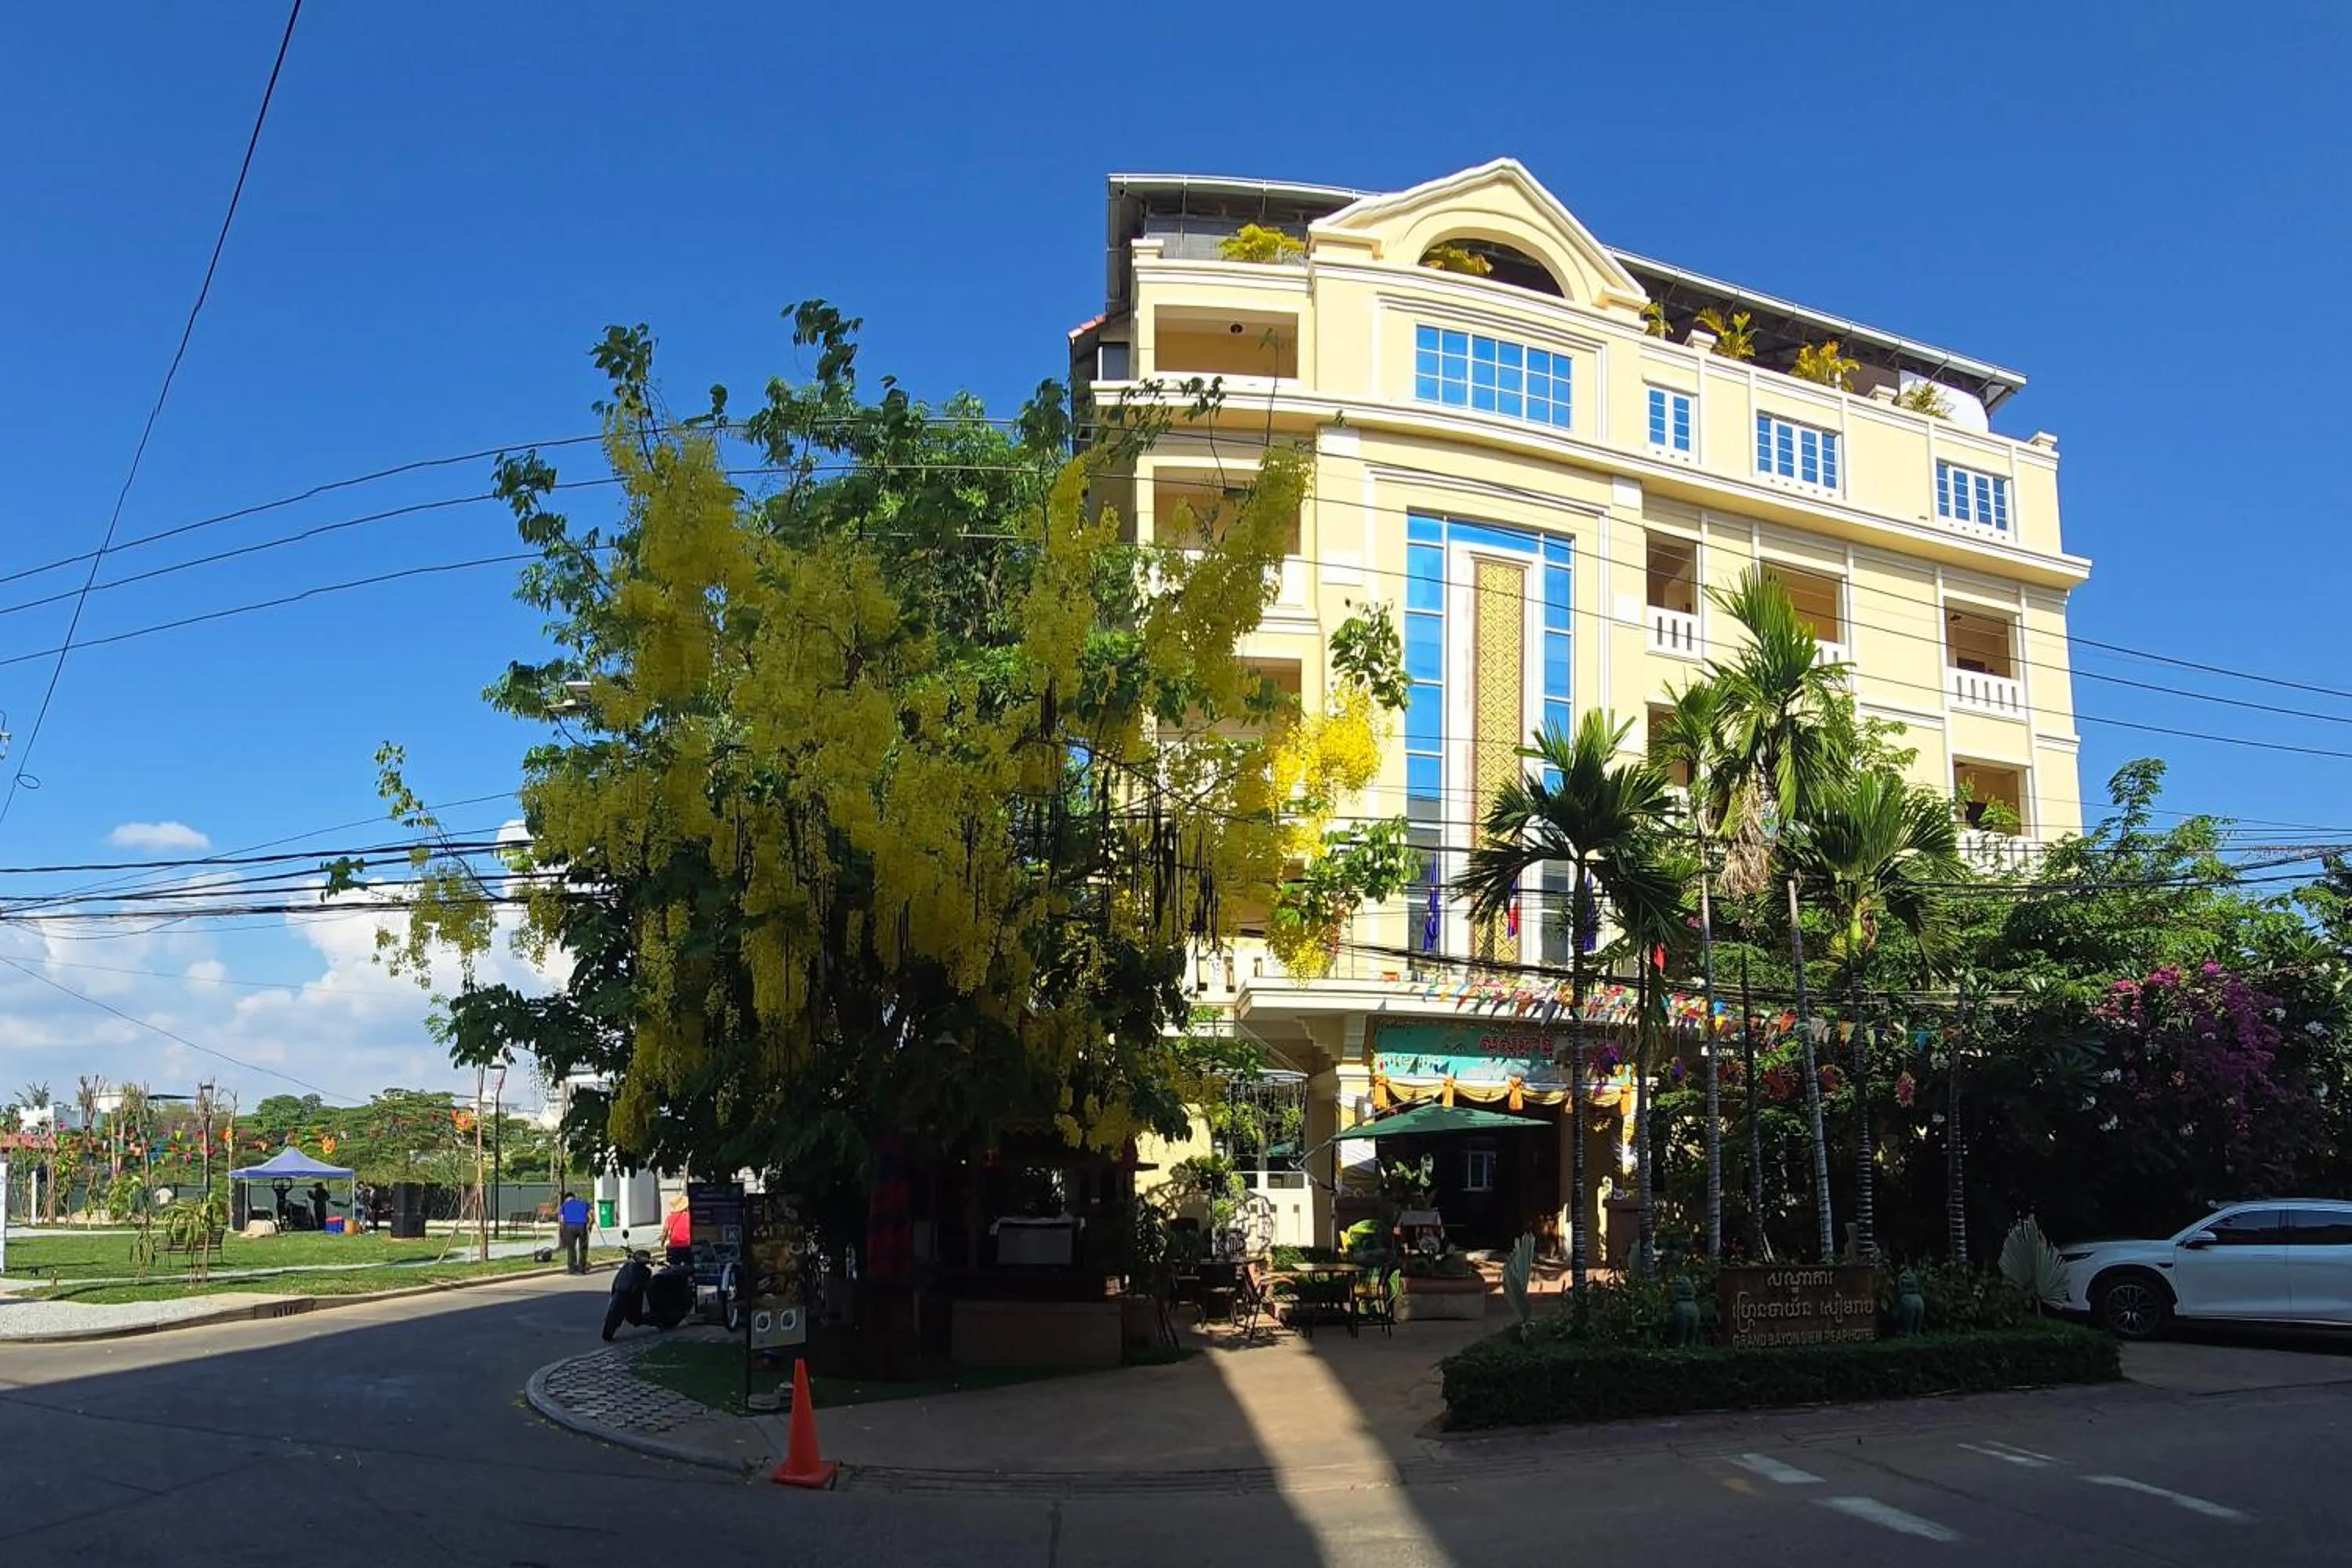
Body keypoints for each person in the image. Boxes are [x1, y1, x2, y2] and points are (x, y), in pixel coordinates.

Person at [557, 1191, 592, 1273]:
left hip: (569, 1226)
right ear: (574, 1197)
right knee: (583, 1247)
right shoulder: (584, 1203)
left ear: (566, 1199)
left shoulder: (564, 1205)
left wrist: (562, 1230)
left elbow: (561, 1219)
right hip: (582, 1226)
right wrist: (590, 1225)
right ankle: (582, 1268)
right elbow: (591, 1213)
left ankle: (572, 1268)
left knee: (571, 1248)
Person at [662, 1192, 693, 1268]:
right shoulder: (689, 1217)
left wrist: (662, 1243)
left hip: (674, 1248)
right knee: (689, 1266)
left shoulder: (670, 1218)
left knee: (673, 1268)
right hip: (687, 1246)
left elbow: (664, 1233)